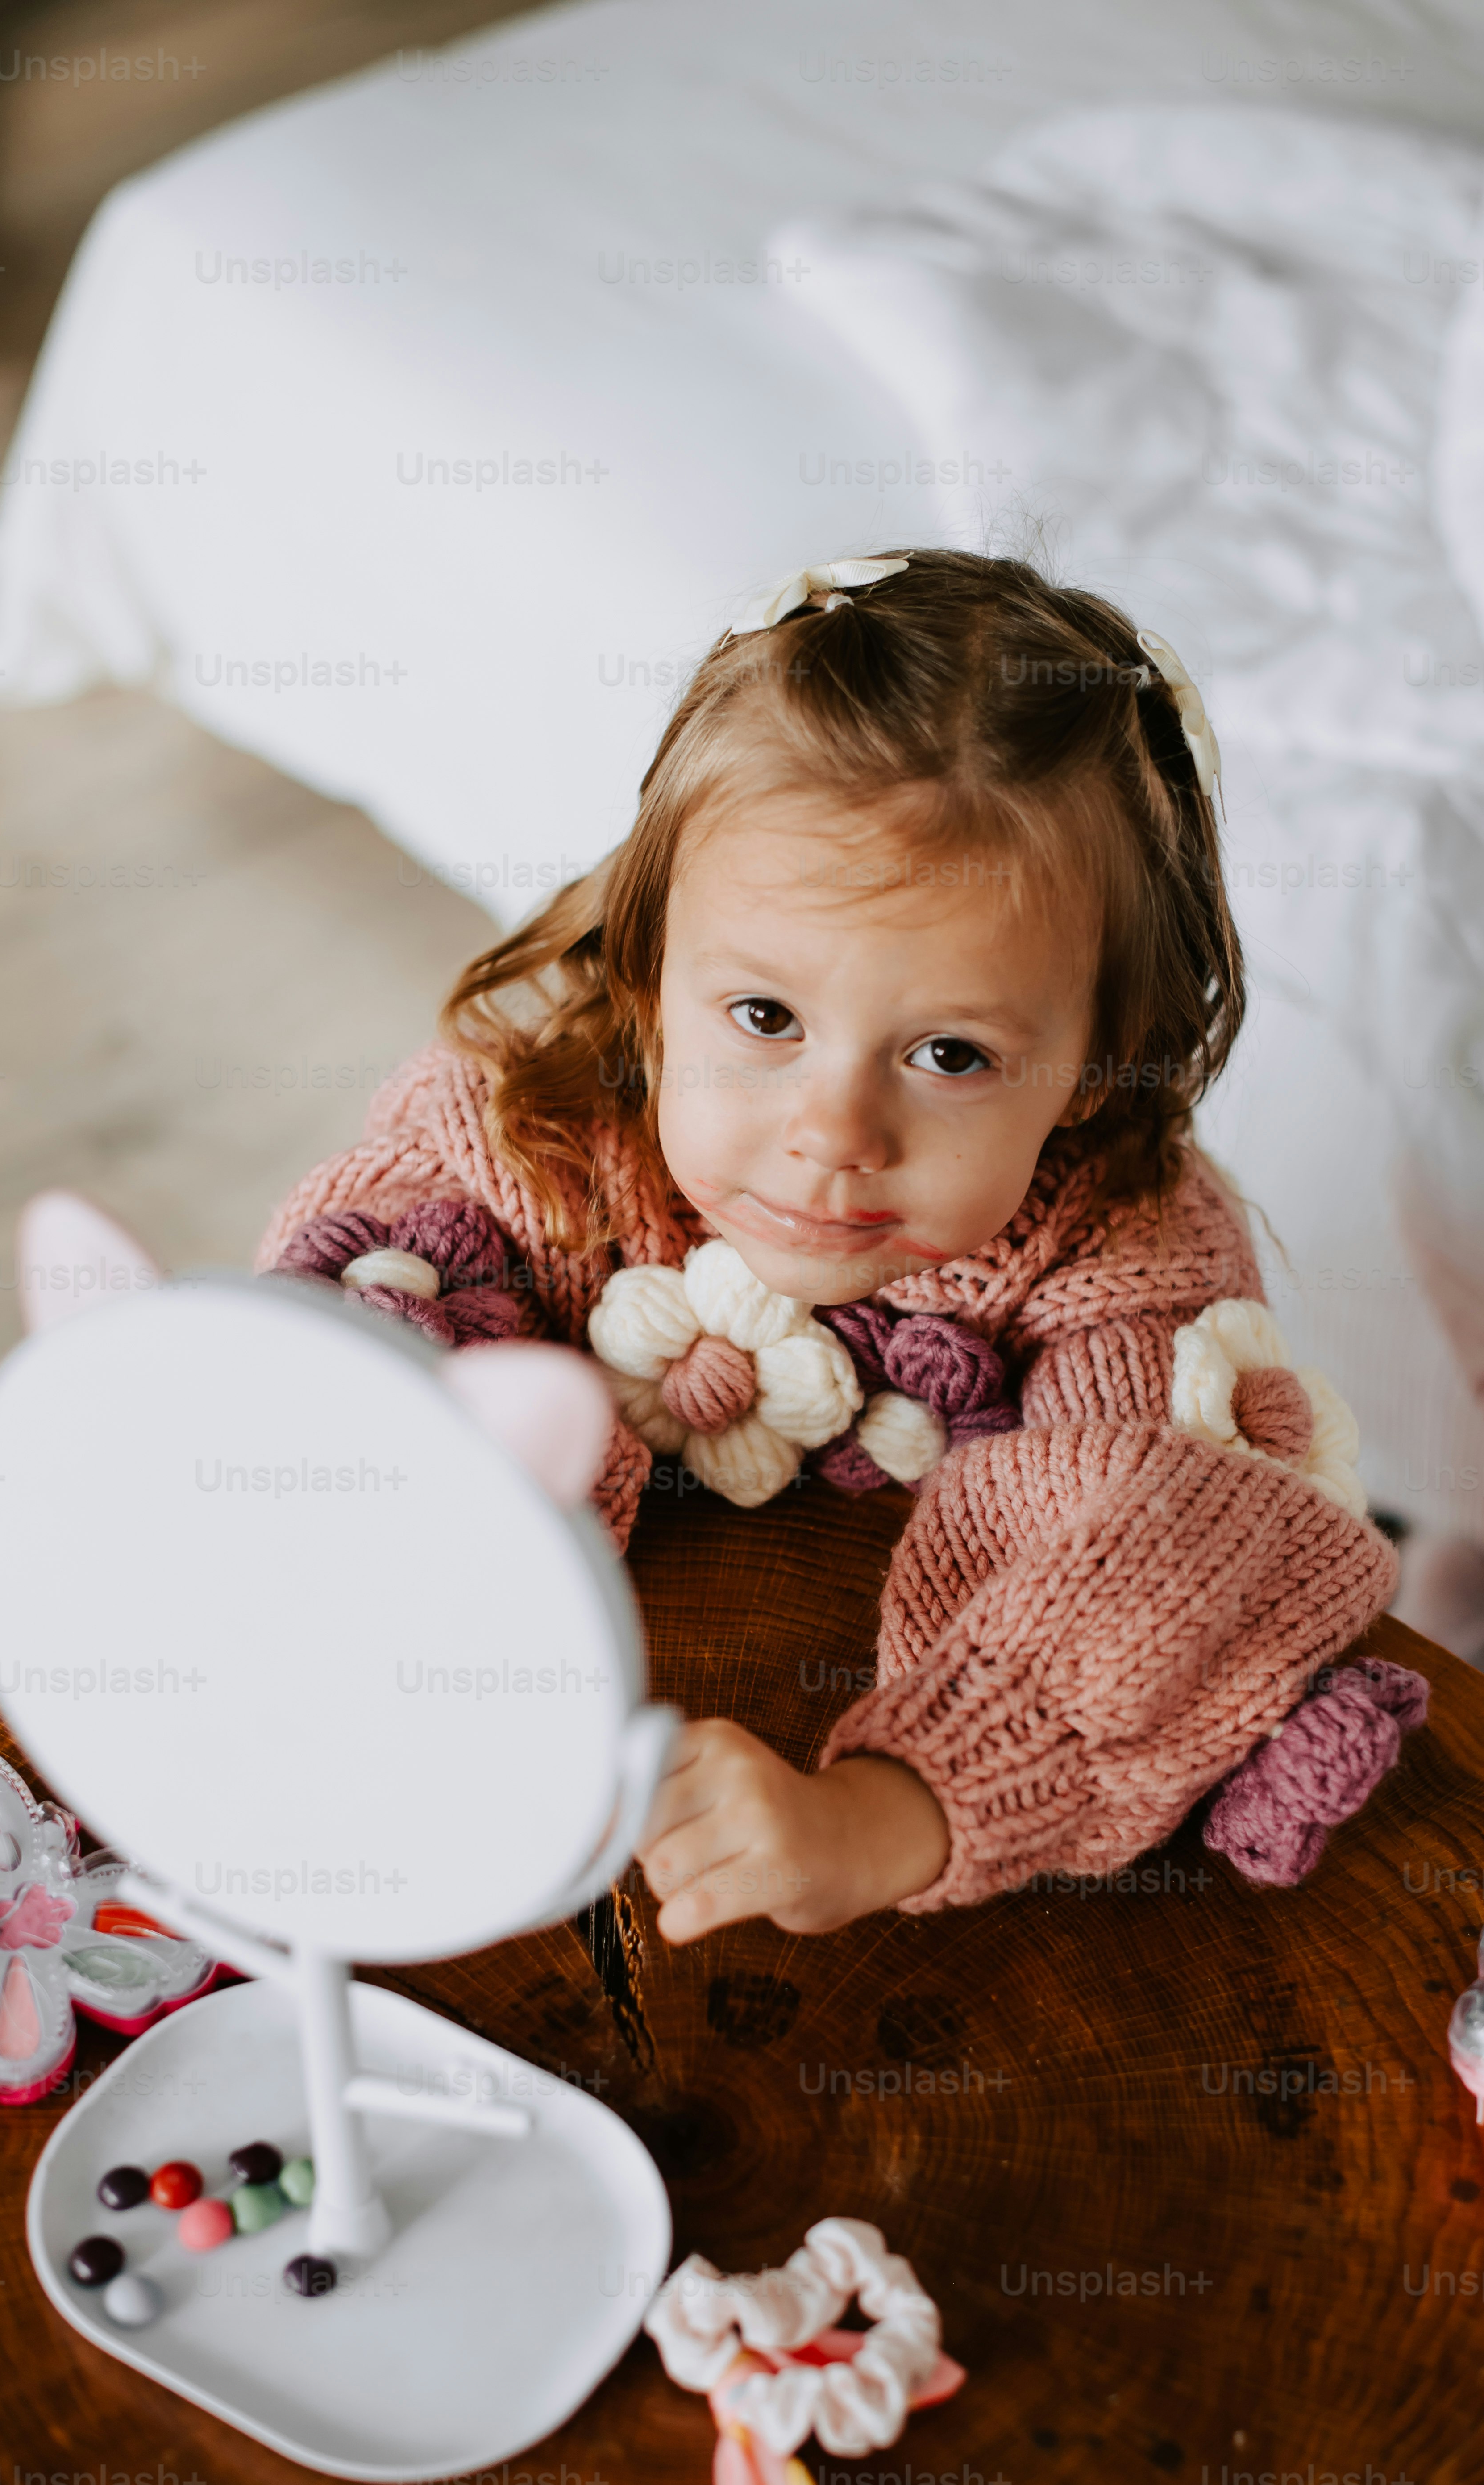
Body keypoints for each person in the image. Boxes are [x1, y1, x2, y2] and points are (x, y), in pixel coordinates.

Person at [258, 550, 1409, 1943]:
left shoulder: (1126, 1257)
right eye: (764, 1019)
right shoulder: (527, 1119)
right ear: (648, 968)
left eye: (949, 1053)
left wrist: (883, 1814)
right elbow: (354, 1328)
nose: (834, 1130)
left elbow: (1161, 1557)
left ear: (1101, 1069)